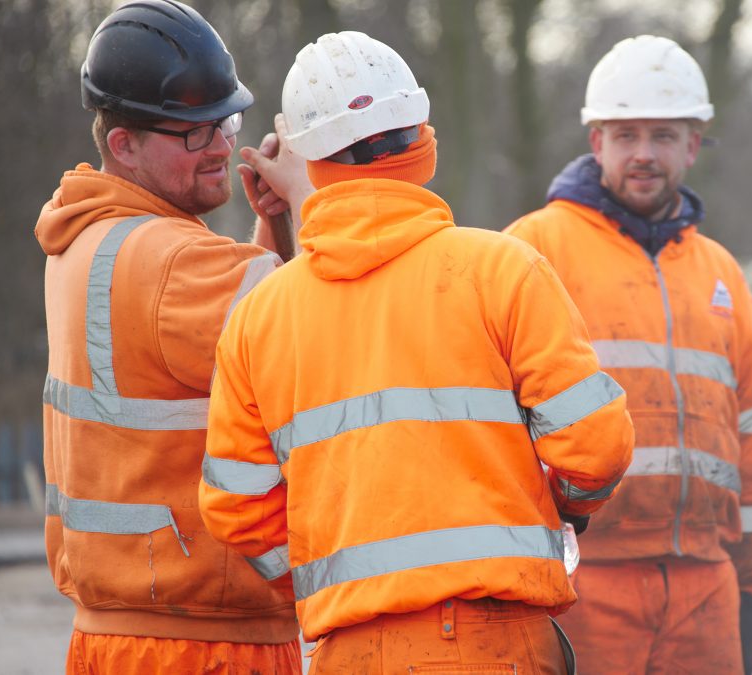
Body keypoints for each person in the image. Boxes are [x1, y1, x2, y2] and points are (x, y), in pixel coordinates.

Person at [197, 31, 635, 675]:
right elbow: (595, 448)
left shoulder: (258, 316)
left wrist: (340, 574)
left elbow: (237, 509)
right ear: (422, 141)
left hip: (350, 650)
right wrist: (565, 508)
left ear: (309, 161)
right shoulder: (503, 271)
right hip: (500, 645)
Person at [35, 1, 302, 672]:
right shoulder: (177, 260)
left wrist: (275, 229)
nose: (220, 146)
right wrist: (317, 198)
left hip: (117, 633)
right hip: (202, 645)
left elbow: (218, 334)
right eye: (193, 133)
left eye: (225, 122)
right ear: (123, 145)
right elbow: (328, 337)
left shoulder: (85, 238)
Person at [505, 35, 752, 675]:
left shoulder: (722, 275)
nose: (643, 154)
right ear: (595, 141)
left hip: (707, 586)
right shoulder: (530, 251)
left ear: (693, 143)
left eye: (663, 135)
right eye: (625, 134)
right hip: (579, 578)